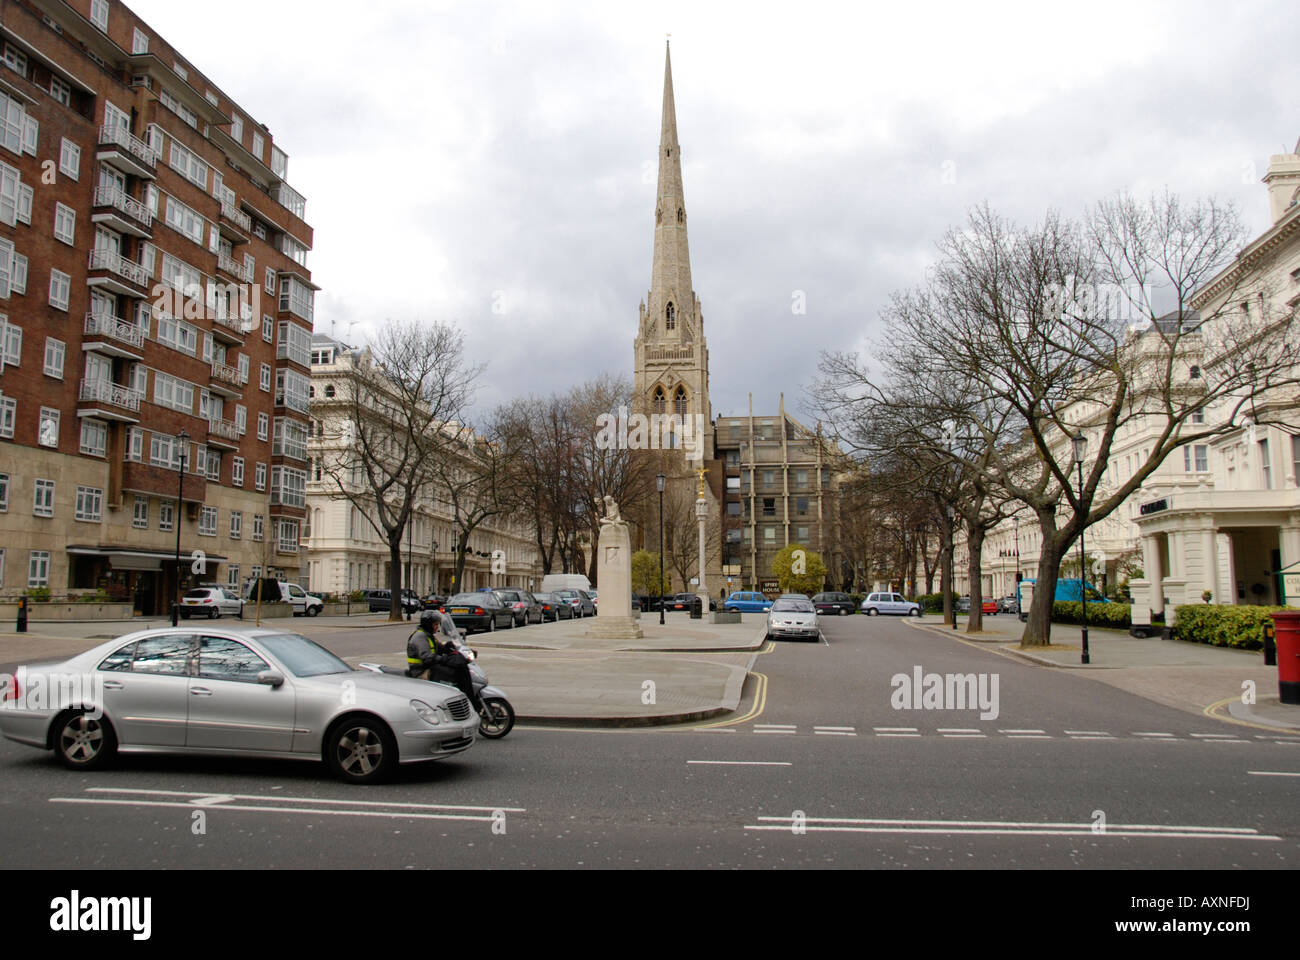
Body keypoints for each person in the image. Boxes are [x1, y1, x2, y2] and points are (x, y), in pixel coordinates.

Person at [407, 610, 481, 709]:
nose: (437, 627)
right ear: (428, 624)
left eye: (438, 624)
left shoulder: (429, 635)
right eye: (435, 624)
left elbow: (440, 648)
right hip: (421, 672)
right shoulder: (419, 637)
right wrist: (446, 659)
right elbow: (427, 657)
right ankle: (456, 704)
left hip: (430, 667)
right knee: (454, 673)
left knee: (458, 668)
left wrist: (450, 647)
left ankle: (465, 700)